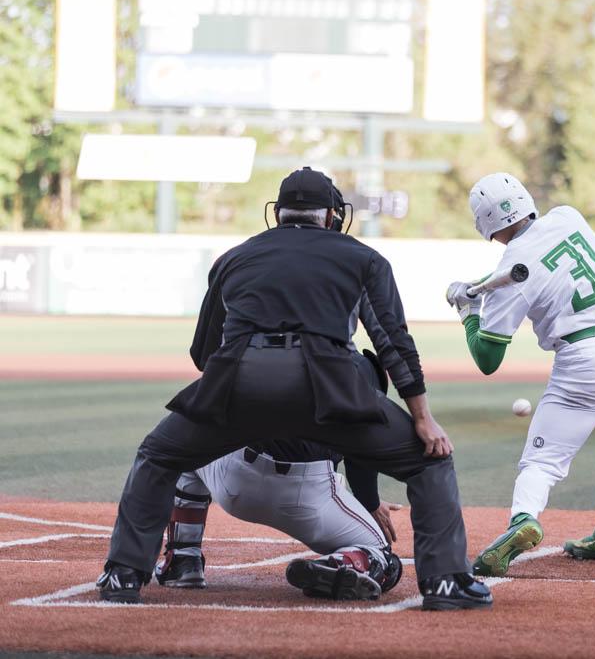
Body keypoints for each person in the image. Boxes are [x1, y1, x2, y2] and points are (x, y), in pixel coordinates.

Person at [96, 167, 490, 611]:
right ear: (330, 217)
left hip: (241, 382)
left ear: (278, 215)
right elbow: (393, 343)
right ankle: (446, 584)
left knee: (159, 454)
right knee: (429, 462)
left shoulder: (234, 258)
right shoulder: (363, 259)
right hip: (330, 390)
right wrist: (423, 418)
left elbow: (205, 353)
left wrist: (237, 405)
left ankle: (125, 573)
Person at [445, 173, 595, 577]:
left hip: (586, 359)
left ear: (485, 223)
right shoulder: (568, 216)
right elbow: (543, 266)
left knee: (542, 461)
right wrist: (477, 288)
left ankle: (523, 519)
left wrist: (469, 313)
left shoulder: (512, 267)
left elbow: (487, 357)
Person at [155, 436, 405, 600]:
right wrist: (369, 502)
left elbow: (204, 363)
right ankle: (340, 564)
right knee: (383, 556)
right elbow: (362, 443)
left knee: (186, 444)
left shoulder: (241, 352)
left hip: (236, 480)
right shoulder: (348, 362)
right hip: (309, 492)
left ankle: (183, 560)